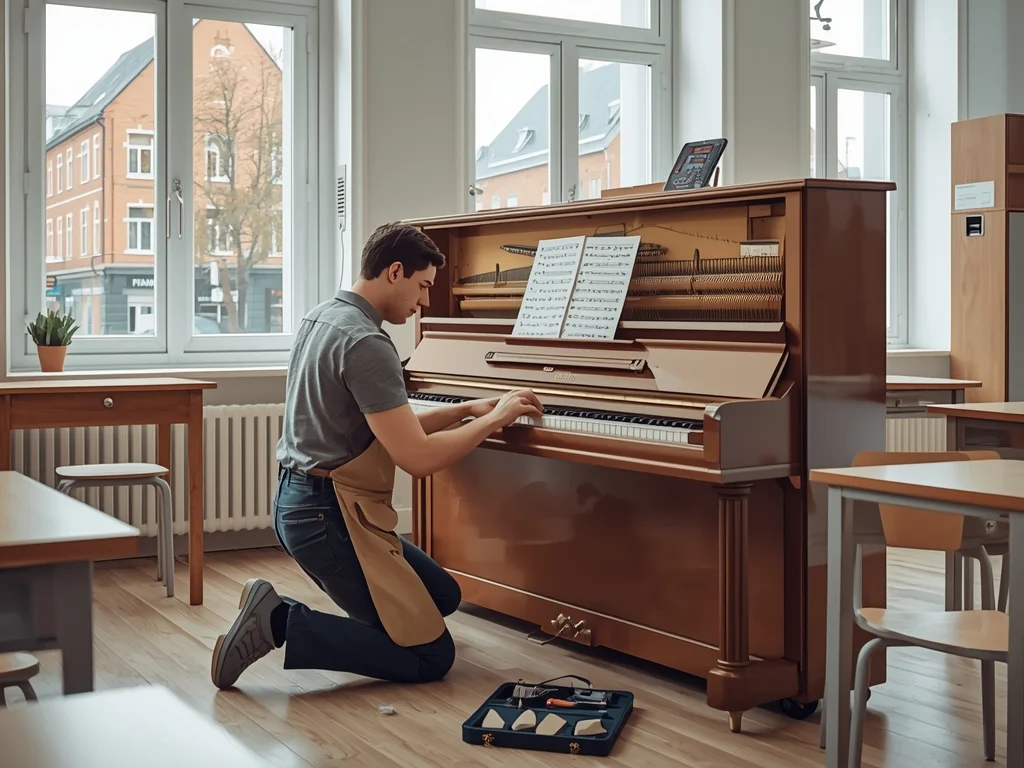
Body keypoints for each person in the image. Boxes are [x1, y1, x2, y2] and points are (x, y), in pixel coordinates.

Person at [211, 221, 543, 690]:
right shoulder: (367, 342)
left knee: (442, 595)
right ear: (395, 271)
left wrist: (466, 410)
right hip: (330, 519)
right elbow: (417, 458)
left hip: (300, 504)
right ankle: (277, 620)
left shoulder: (324, 317)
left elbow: (389, 430)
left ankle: (371, 625)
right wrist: (496, 419)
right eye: (423, 285)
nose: (425, 301)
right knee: (431, 657)